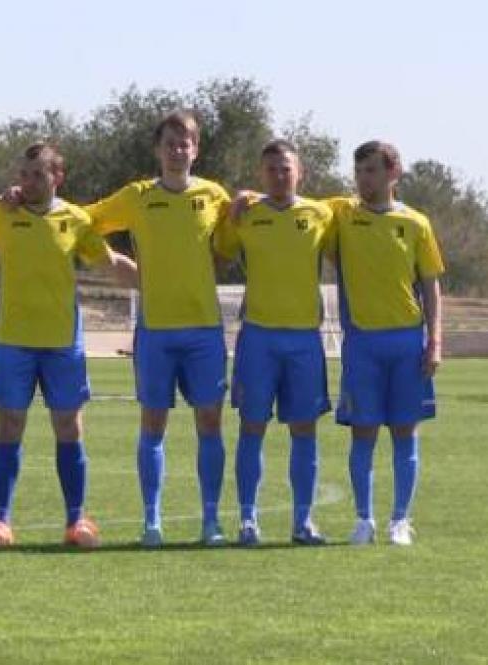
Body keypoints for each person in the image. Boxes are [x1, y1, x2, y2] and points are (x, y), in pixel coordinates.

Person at [0, 142, 137, 549]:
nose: (29, 182)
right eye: (24, 174)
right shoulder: (2, 212)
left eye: (38, 174)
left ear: (58, 177)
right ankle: (0, 523)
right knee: (9, 428)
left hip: (62, 342)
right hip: (14, 340)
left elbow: (109, 262)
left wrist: (159, 282)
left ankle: (76, 521)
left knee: (69, 427)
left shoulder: (75, 219)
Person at [83, 111, 232, 547]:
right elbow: (82, 222)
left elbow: (232, 240)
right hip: (155, 330)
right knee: (153, 423)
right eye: (169, 142)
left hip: (204, 328)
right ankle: (152, 521)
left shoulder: (214, 196)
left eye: (185, 142)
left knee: (210, 421)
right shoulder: (137, 197)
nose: (177, 149)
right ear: (157, 149)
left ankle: (211, 521)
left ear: (196, 149)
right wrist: (114, 264)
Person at [215, 140, 334, 546]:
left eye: (286, 169)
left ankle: (303, 521)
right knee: (252, 426)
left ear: (300, 173)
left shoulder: (321, 213)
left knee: (304, 429)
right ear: (260, 174)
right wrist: (232, 211)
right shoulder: (248, 213)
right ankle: (248, 520)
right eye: (271, 169)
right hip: (258, 338)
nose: (279, 176)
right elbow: (221, 250)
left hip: (304, 338)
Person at [329, 141, 445, 546]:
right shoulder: (342, 214)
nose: (363, 180)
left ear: (393, 172)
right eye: (359, 172)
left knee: (404, 433)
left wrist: (435, 342)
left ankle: (400, 520)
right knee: (362, 434)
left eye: (372, 171)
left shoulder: (416, 223)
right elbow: (295, 204)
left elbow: (431, 286)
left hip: (407, 343)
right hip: (362, 344)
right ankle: (364, 519)